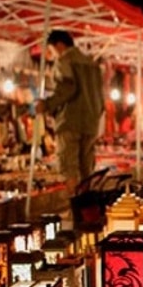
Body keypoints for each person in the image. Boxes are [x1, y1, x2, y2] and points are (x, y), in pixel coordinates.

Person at [35, 30, 105, 195]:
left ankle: (76, 205)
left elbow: (67, 87)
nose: (52, 54)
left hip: (70, 120)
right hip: (91, 122)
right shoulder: (93, 64)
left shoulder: (64, 60)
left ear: (59, 45)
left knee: (69, 167)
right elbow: (101, 96)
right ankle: (88, 205)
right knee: (87, 167)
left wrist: (47, 104)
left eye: (51, 49)